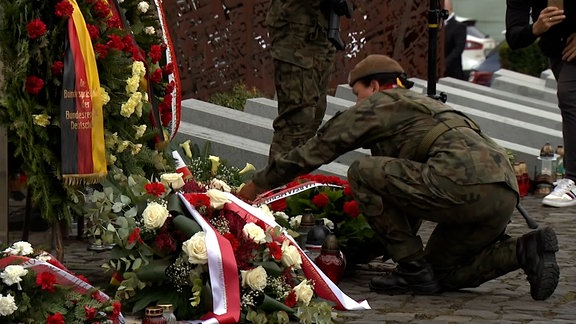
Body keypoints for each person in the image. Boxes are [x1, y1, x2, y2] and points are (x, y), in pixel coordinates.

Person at [239, 54, 560, 300]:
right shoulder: (426, 105)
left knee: (363, 171)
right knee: (440, 273)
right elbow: (406, 193)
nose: (357, 102)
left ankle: (411, 270)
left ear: (375, 86)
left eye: (357, 93)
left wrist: (258, 184)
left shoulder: (380, 103)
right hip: (503, 192)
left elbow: (317, 150)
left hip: (459, 185)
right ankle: (524, 249)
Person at [506, 0, 576, 207]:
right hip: (559, 53)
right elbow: (514, 37)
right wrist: (535, 28)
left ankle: (572, 179)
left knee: (569, 95)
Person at [265, 0, 337, 162]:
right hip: (296, 31)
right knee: (298, 117)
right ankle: (275, 183)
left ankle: (292, 179)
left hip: (321, 30)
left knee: (316, 111)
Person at [443, 0, 467, 80]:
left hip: (452, 72)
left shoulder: (458, 27)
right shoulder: (437, 25)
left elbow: (458, 49)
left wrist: (445, 63)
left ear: (449, 8)